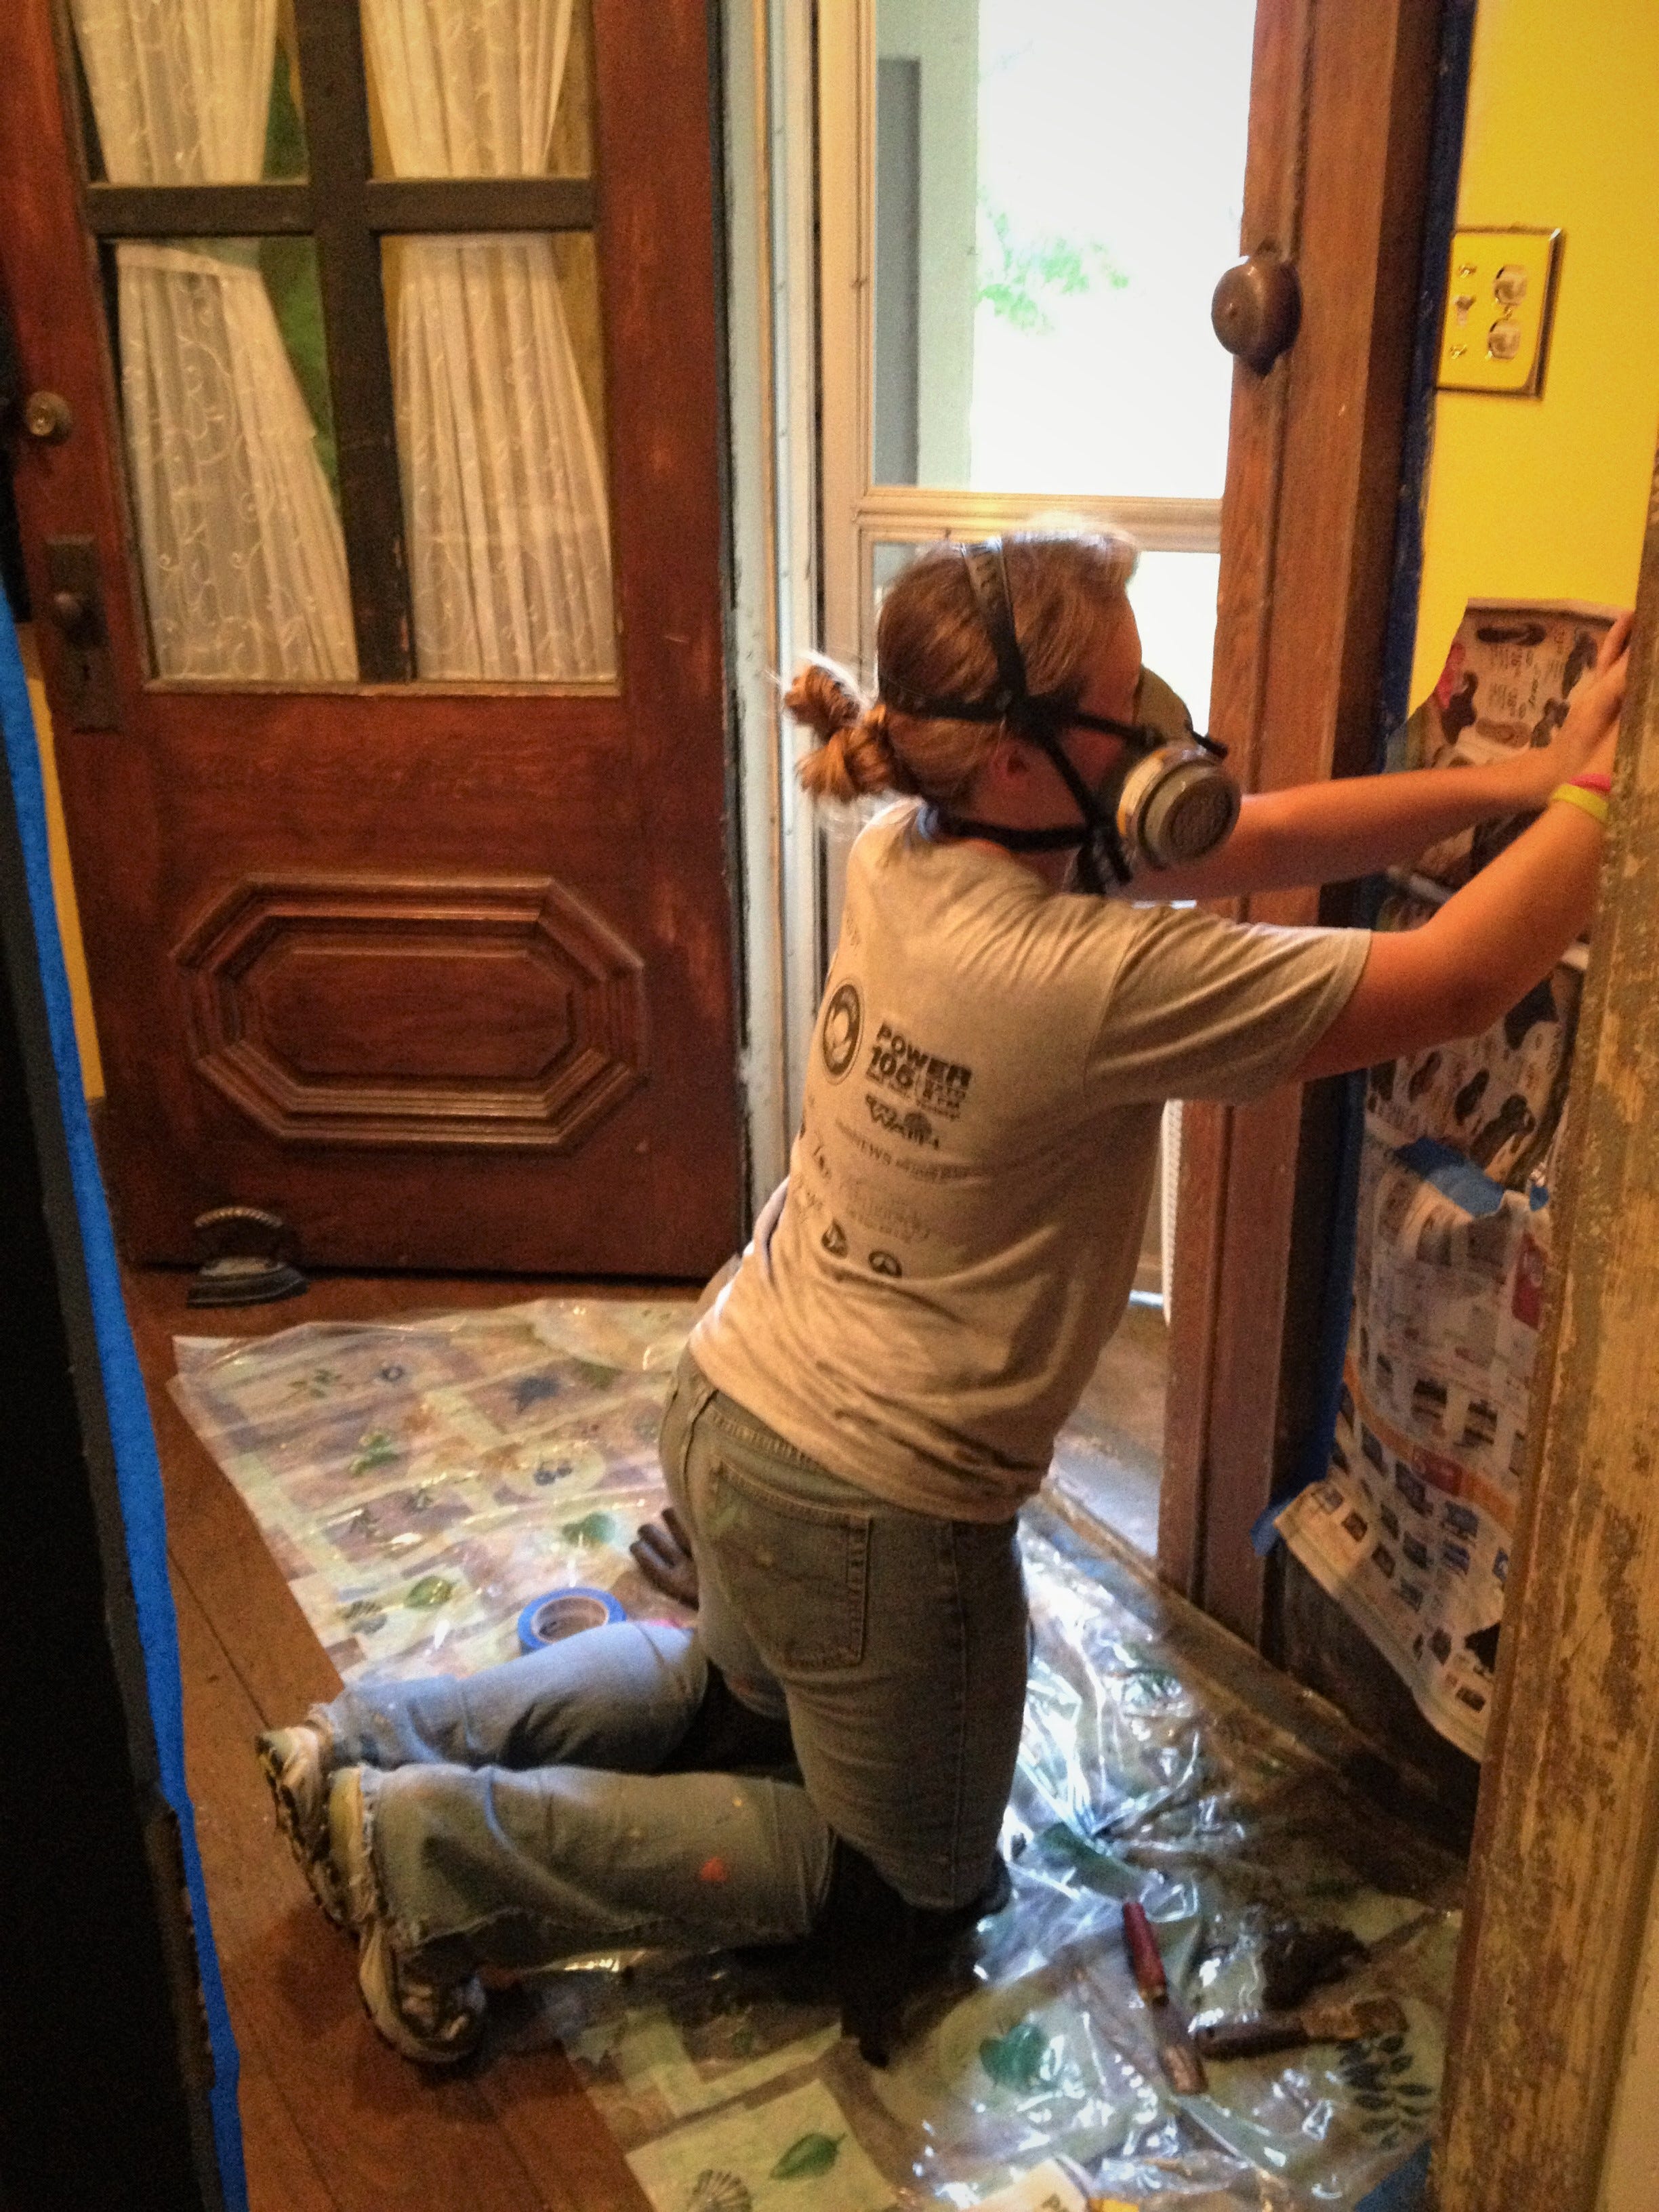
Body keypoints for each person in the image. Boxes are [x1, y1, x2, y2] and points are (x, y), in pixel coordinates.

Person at [257, 531, 1629, 2067]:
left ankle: (372, 1744)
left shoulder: (907, 848)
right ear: (1038, 760)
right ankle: (430, 1859)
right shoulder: (1088, 977)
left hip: (732, 1402)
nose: (1169, 728)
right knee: (903, 1892)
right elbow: (1448, 981)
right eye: (1128, 696)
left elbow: (1250, 834)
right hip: (873, 1504)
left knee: (738, 1705)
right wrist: (1603, 801)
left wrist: (1518, 785)